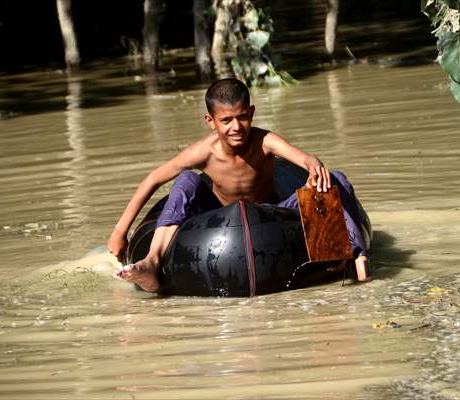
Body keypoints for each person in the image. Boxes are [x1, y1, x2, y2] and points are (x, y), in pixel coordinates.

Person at [108, 78, 369, 292]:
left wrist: (314, 165)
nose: (236, 127)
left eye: (242, 117)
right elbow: (153, 179)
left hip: (271, 212)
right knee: (186, 180)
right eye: (226, 120)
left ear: (252, 113)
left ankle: (355, 258)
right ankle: (152, 262)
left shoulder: (264, 140)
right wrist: (121, 231)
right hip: (217, 216)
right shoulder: (203, 152)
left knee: (333, 178)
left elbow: (303, 158)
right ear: (210, 121)